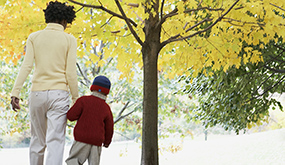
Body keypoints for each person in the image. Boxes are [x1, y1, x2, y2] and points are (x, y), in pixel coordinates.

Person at [10, 1, 78, 165]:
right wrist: (76, 98)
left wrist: (15, 93)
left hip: (37, 94)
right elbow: (70, 72)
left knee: (37, 140)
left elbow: (26, 66)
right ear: (64, 20)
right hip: (59, 95)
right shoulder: (69, 39)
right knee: (55, 142)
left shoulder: (34, 37)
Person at [66, 75, 114, 165]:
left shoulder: (83, 101)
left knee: (73, 160)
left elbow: (71, 116)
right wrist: (107, 142)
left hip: (81, 138)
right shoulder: (106, 108)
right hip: (97, 141)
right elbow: (109, 127)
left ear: (92, 87)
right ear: (106, 92)